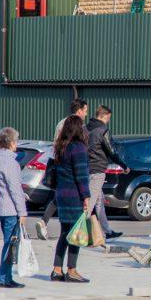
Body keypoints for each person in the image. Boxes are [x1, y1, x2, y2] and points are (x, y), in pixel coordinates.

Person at [36, 98, 89, 241]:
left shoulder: (61, 122)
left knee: (58, 196)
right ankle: (77, 232)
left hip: (57, 161)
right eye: (85, 111)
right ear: (79, 110)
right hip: (71, 164)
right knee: (68, 200)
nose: (85, 114)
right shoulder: (77, 126)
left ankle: (44, 220)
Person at [51, 115, 92, 283]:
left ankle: (56, 269)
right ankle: (72, 270)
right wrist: (86, 197)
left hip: (61, 194)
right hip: (74, 195)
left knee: (64, 233)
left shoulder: (61, 147)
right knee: (77, 233)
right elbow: (81, 175)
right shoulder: (79, 148)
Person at [0, 127, 28, 288]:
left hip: (0, 206)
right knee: (11, 243)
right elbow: (15, 189)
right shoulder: (11, 163)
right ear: (10, 142)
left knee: (9, 242)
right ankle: (4, 277)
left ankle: (5, 275)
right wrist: (22, 212)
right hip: (11, 208)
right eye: (15, 141)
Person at [86, 105, 128, 240]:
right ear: (105, 116)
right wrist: (123, 165)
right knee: (91, 202)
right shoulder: (103, 131)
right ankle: (80, 232)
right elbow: (111, 151)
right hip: (97, 170)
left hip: (85, 169)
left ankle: (107, 231)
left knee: (99, 201)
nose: (108, 120)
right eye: (109, 118)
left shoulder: (85, 129)